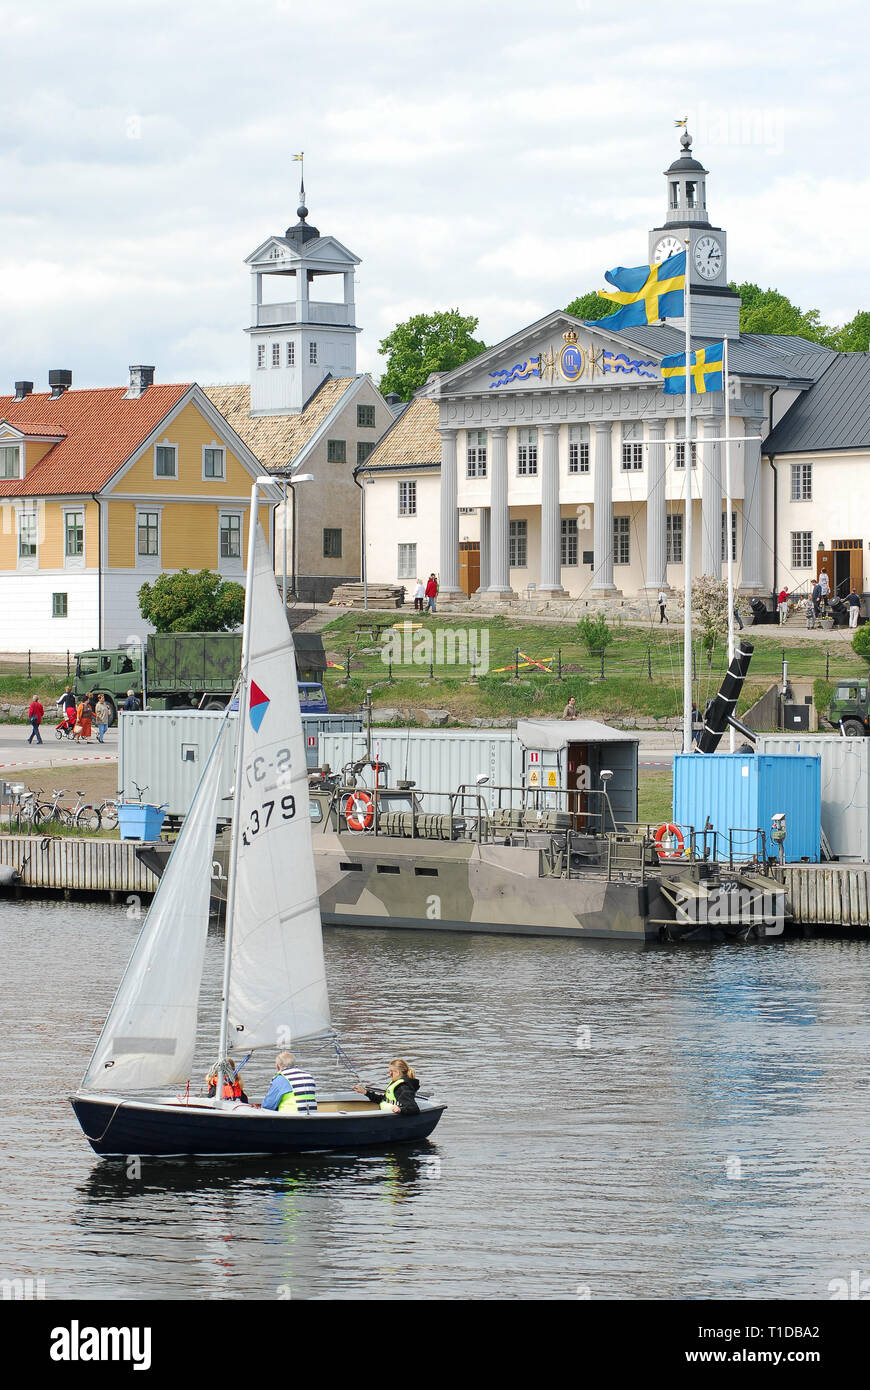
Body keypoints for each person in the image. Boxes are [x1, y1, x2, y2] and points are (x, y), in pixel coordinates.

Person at [354, 1058, 420, 1115]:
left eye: (391, 1071)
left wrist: (400, 1110)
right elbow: (383, 1100)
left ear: (398, 1072)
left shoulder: (403, 1088)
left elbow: (414, 1109)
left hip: (391, 1119)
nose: (390, 1074)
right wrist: (365, 1092)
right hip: (385, 1116)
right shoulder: (394, 1083)